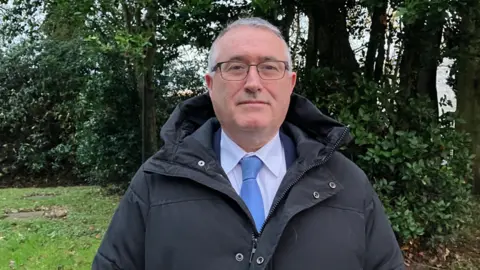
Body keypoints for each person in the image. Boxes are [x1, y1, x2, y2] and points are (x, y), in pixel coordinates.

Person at [92, 17, 405, 270]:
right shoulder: (155, 182)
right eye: (236, 67)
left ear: (290, 83)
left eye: (269, 67)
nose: (253, 83)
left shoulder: (346, 183)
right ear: (211, 85)